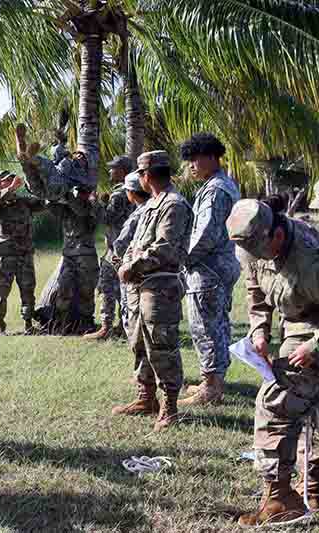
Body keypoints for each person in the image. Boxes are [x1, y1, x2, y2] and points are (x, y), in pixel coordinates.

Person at [227, 197, 319, 526]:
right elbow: (255, 287)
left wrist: (317, 346)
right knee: (310, 408)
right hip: (300, 324)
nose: (256, 258)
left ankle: (281, 499)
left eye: (261, 250)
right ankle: (312, 492)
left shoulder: (315, 266)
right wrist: (259, 331)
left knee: (275, 401)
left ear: (276, 236)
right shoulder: (252, 243)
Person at [111, 151, 193, 431]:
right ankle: (146, 398)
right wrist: (125, 264)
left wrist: (131, 267)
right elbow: (136, 242)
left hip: (160, 284)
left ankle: (169, 407)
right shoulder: (151, 205)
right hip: (139, 285)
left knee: (162, 346)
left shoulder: (174, 204)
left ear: (147, 176)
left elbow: (165, 248)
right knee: (139, 343)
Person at [15, 124, 99, 334]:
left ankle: (86, 324)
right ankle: (27, 157)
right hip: (69, 254)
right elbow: (54, 208)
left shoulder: (89, 200)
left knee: (87, 293)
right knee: (37, 184)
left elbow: (82, 211)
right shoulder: (68, 168)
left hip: (85, 255)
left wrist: (69, 195)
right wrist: (55, 200)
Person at [176, 133, 241, 407]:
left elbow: (204, 236)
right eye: (188, 160)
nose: (191, 165)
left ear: (213, 157)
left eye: (196, 159)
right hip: (218, 267)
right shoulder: (221, 184)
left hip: (208, 270)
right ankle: (212, 380)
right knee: (217, 325)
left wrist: (178, 257)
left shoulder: (215, 191)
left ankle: (211, 387)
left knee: (206, 327)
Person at [0, 170, 46, 335]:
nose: (12, 181)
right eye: (7, 180)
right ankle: (0, 325)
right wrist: (11, 188)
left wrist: (35, 183)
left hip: (25, 254)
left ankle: (28, 324)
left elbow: (44, 202)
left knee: (28, 289)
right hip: (6, 254)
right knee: (1, 290)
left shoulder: (24, 202)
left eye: (12, 179)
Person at [83, 155, 134, 341]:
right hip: (125, 246)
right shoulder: (131, 189)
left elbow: (107, 219)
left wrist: (94, 202)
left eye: (114, 168)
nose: (110, 171)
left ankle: (106, 326)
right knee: (123, 287)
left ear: (123, 171)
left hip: (117, 248)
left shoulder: (120, 193)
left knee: (108, 284)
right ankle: (123, 325)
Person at [110, 171, 150, 338]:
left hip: (132, 268)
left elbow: (120, 244)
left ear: (132, 193)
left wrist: (116, 260)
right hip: (150, 268)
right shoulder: (154, 207)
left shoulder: (138, 214)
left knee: (130, 308)